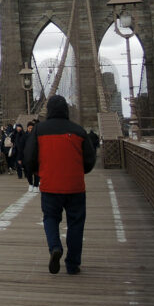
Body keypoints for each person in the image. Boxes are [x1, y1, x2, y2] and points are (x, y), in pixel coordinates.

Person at [23, 95, 96, 275]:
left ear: (48, 111)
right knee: (76, 224)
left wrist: (36, 174)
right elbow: (90, 160)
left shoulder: (39, 130)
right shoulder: (78, 131)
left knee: (50, 218)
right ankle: (72, 265)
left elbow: (29, 157)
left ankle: (55, 247)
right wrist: (79, 172)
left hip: (49, 184)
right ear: (66, 110)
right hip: (75, 186)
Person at [24, 121, 40, 189]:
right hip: (27, 157)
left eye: (32, 128)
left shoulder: (37, 136)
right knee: (28, 172)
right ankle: (30, 184)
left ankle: (36, 185)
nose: (30, 129)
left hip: (36, 157)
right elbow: (21, 147)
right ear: (27, 128)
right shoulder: (24, 136)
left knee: (37, 172)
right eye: (29, 128)